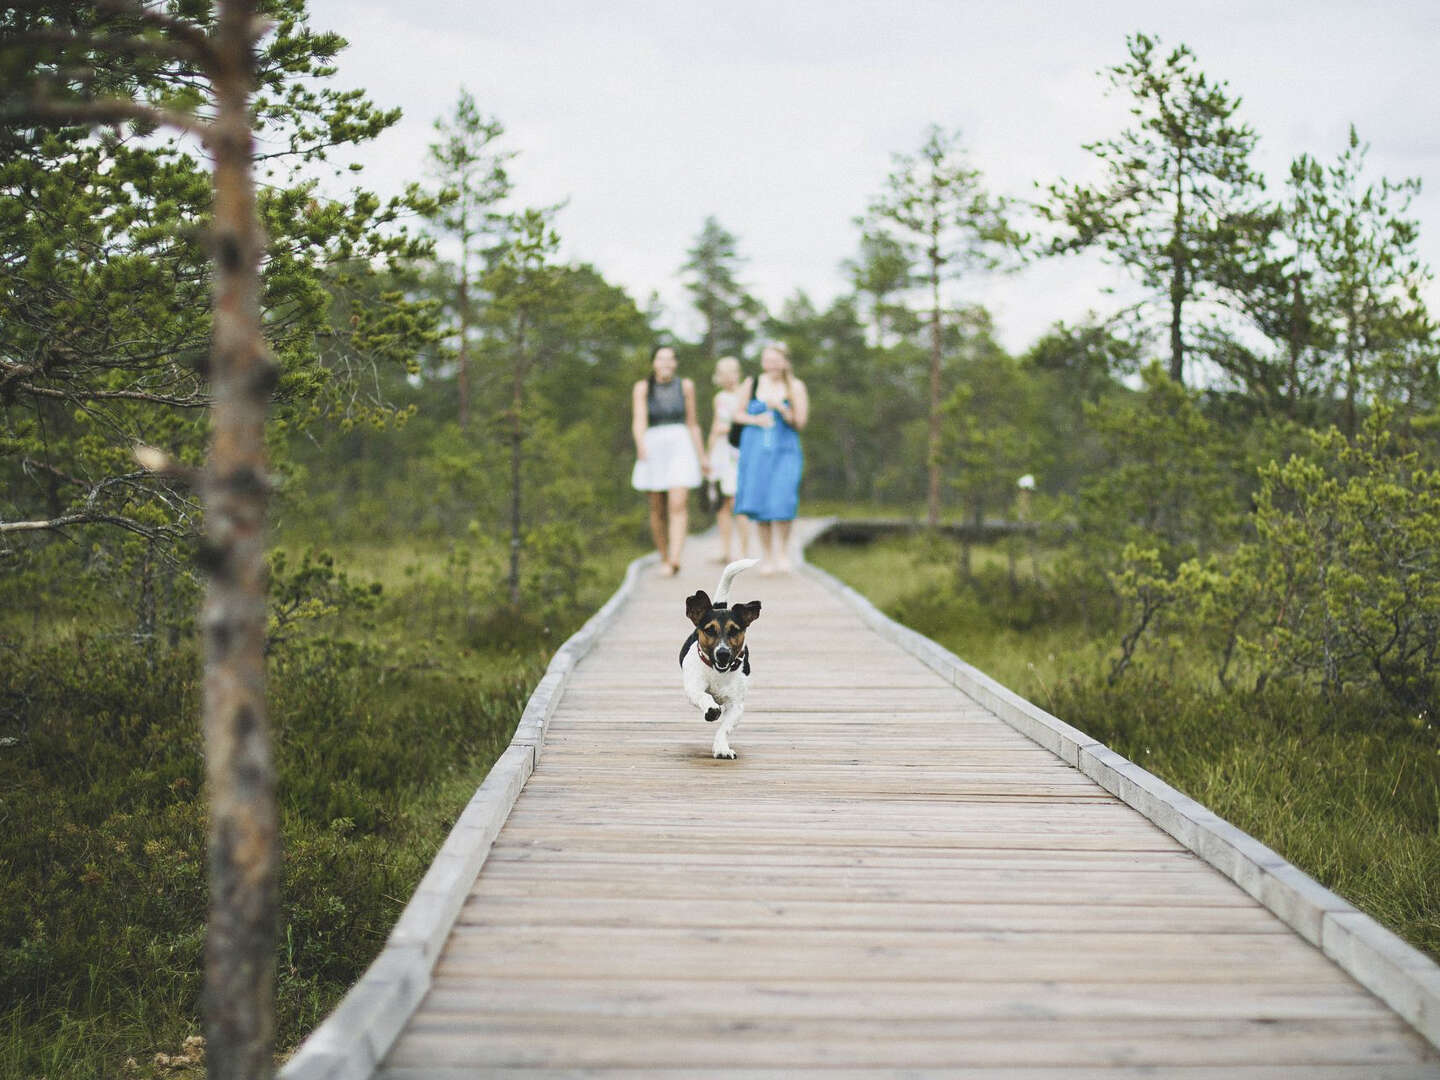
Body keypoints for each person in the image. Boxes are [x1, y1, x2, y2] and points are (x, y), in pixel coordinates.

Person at [732, 341, 809, 573]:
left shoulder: (795, 386)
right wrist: (756, 419)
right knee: (761, 501)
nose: (772, 365)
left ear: (785, 362)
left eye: (776, 361)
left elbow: (801, 422)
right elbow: (737, 414)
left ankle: (783, 551)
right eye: (767, 361)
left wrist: (782, 409)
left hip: (785, 449)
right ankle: (766, 556)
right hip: (756, 450)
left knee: (783, 499)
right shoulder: (752, 383)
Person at [631, 346, 708, 576]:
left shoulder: (685, 386)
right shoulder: (643, 388)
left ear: (675, 363)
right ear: (653, 362)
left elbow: (693, 422)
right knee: (657, 506)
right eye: (660, 359)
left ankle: (675, 556)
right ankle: (663, 555)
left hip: (680, 442)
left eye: (669, 359)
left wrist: (702, 456)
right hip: (654, 442)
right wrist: (640, 444)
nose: (665, 363)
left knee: (678, 503)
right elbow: (639, 420)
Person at [707, 355, 751, 562]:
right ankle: (726, 551)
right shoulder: (719, 397)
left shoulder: (747, 394)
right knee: (721, 504)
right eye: (723, 373)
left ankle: (744, 550)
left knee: (737, 502)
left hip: (738, 451)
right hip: (720, 453)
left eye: (732, 372)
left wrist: (728, 427)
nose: (728, 377)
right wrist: (707, 455)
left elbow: (744, 424)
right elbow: (715, 427)